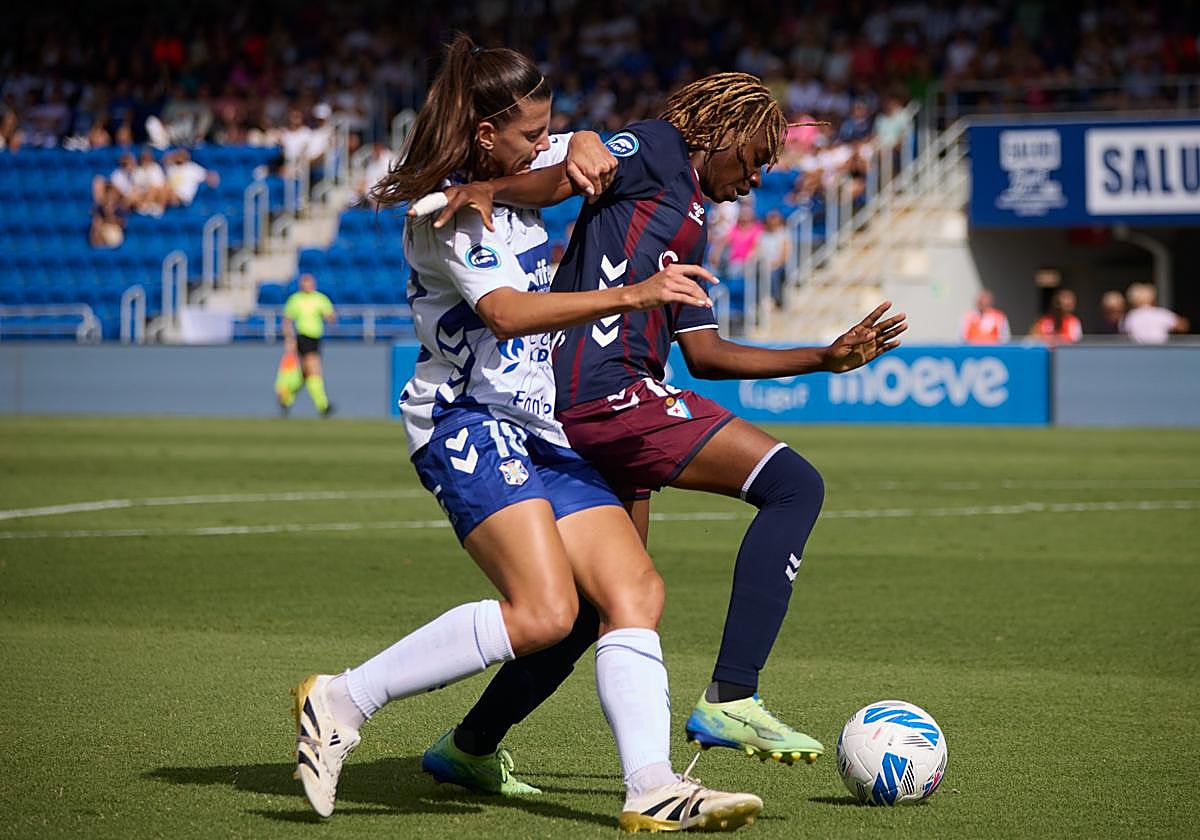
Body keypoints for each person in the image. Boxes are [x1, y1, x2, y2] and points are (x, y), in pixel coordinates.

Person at [293, 36, 763, 833]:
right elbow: (507, 314)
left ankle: (651, 787)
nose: (545, 143)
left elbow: (575, 163)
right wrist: (632, 295)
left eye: (551, 128)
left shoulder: (518, 172)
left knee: (635, 591)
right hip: (464, 419)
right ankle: (342, 699)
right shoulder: (445, 211)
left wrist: (585, 142)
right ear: (486, 137)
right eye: (532, 134)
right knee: (545, 613)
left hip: (539, 425)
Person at [422, 71, 906, 790]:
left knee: (603, 609)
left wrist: (823, 358)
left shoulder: (692, 215)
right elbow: (569, 179)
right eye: (755, 157)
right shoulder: (658, 148)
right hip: (604, 392)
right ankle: (733, 695)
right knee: (794, 486)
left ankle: (468, 747)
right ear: (722, 132)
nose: (758, 177)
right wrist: (490, 189)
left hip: (603, 402)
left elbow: (705, 355)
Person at [280, 273, 336, 416]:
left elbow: (330, 316)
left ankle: (286, 397)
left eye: (309, 282)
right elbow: (287, 320)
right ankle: (323, 405)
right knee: (315, 370)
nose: (307, 285)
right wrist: (289, 338)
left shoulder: (320, 298)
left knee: (305, 374)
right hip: (303, 338)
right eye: (304, 283)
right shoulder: (295, 299)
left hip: (315, 338)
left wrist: (330, 316)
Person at [1122, 282, 1190, 344]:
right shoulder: (1159, 313)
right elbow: (1183, 325)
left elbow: (1124, 332)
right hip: (1159, 350)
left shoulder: (1129, 316)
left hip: (1137, 350)